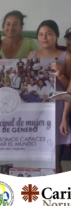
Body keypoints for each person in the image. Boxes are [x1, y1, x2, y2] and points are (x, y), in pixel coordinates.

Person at [28, 20, 71, 174]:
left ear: (56, 36)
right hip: (36, 110)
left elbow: (69, 89)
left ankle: (55, 192)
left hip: (57, 109)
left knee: (53, 156)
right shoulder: (31, 56)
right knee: (36, 154)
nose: (44, 37)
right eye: (40, 34)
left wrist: (60, 75)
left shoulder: (66, 57)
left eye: (49, 33)